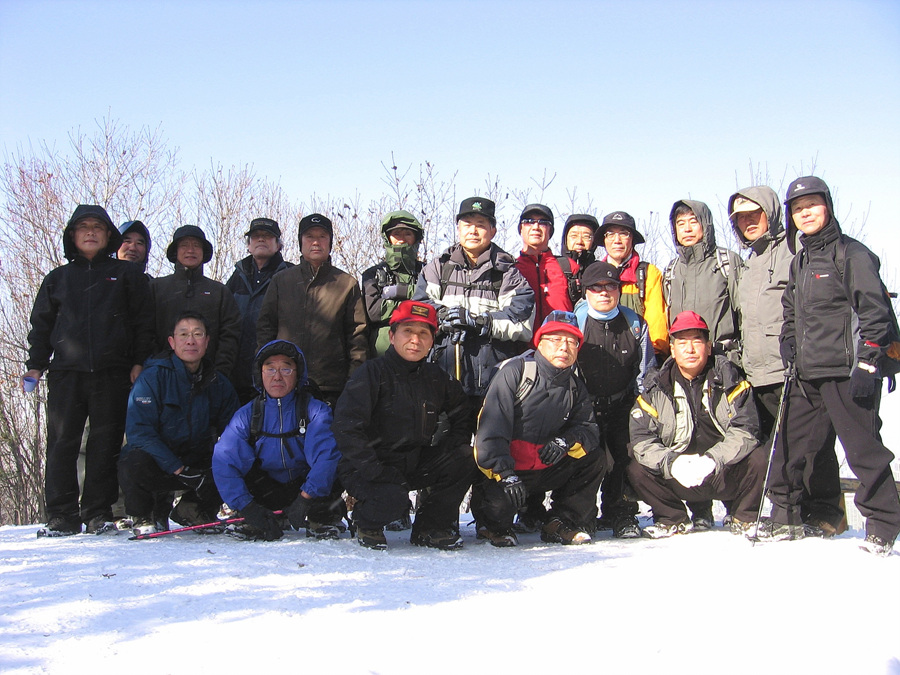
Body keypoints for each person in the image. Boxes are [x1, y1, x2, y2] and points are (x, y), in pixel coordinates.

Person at [758, 176, 900, 557]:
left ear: (828, 206)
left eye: (812, 206)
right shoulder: (801, 261)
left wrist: (868, 363)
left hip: (847, 372)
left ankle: (883, 526)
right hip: (806, 374)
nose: (805, 214)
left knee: (863, 450)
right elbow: (792, 311)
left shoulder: (852, 255)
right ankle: (785, 516)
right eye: (797, 209)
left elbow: (875, 312)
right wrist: (789, 343)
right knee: (789, 447)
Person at [25, 204, 154, 536]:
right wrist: (35, 366)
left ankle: (98, 512)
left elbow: (143, 323)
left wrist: (138, 362)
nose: (91, 233)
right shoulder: (57, 278)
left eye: (98, 227)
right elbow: (41, 326)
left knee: (105, 444)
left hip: (113, 372)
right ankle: (61, 515)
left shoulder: (127, 275)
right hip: (67, 373)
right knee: (62, 443)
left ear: (109, 235)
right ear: (72, 236)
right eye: (84, 227)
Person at [728, 185, 844, 535]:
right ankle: (788, 510)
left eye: (755, 214)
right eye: (741, 218)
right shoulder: (749, 263)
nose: (748, 222)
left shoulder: (794, 249)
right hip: (757, 371)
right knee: (777, 447)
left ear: (772, 214)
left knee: (811, 442)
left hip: (791, 367)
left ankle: (826, 511)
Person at [333, 301, 474, 550]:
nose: (415, 340)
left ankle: (429, 527)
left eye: (423, 333)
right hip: (367, 466)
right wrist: (375, 470)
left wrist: (453, 442)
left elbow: (462, 411)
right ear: (392, 336)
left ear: (432, 340)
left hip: (413, 462)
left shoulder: (436, 377)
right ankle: (367, 522)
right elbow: (347, 427)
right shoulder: (371, 373)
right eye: (407, 331)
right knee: (393, 500)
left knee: (464, 458)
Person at [471, 312, 605, 547]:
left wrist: (566, 441)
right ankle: (492, 527)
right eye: (556, 339)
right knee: (498, 510)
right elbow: (491, 430)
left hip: (546, 467)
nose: (564, 347)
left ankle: (561, 522)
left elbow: (588, 429)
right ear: (539, 343)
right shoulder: (516, 372)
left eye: (572, 342)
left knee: (594, 458)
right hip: (510, 471)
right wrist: (505, 473)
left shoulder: (574, 386)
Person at [627, 311, 765, 538]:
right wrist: (672, 463)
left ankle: (744, 516)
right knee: (636, 467)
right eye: (682, 343)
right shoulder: (655, 388)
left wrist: (713, 459)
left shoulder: (731, 380)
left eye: (696, 342)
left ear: (708, 347)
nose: (690, 349)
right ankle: (673, 518)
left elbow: (747, 430)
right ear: (673, 350)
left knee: (759, 457)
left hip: (722, 471)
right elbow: (642, 439)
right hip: (678, 475)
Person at [119, 311, 240, 536]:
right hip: (161, 461)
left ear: (207, 341)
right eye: (183, 334)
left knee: (236, 459)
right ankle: (144, 513)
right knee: (132, 460)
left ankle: (194, 508)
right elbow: (140, 432)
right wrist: (178, 468)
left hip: (197, 459)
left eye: (197, 334)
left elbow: (235, 431)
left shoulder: (218, 383)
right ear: (172, 342)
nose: (190, 341)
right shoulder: (152, 378)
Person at [413, 196, 534, 415]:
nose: (473, 231)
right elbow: (419, 308)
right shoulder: (438, 267)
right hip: (441, 379)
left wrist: (480, 322)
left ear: (493, 231)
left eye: (481, 224)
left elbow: (522, 323)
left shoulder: (507, 273)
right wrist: (443, 316)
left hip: (493, 384)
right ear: (458, 228)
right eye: (467, 224)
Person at [663, 199, 743, 528]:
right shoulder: (672, 269)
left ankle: (737, 506)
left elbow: (743, 310)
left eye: (693, 222)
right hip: (686, 361)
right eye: (680, 223)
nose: (687, 229)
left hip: (723, 358)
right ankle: (700, 509)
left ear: (705, 225)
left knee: (727, 430)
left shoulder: (726, 262)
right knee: (691, 432)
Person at [212, 340, 339, 541]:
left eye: (286, 369)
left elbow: (326, 457)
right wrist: (247, 507)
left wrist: (305, 498)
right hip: (265, 489)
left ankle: (322, 517)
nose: (277, 376)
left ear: (298, 374)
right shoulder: (247, 415)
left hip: (305, 488)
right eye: (270, 369)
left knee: (336, 467)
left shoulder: (315, 411)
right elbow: (224, 460)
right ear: (260, 374)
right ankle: (257, 519)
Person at [574, 262, 655, 538]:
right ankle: (581, 516)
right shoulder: (575, 322)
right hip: (585, 406)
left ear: (619, 290)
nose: (604, 292)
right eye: (596, 287)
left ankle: (621, 513)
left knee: (625, 457)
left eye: (610, 286)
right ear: (586, 291)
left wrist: (643, 409)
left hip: (623, 403)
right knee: (586, 459)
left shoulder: (635, 324)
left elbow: (646, 371)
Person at [256, 213, 368, 408]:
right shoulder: (281, 281)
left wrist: (353, 381)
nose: (316, 242)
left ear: (330, 242)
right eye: (309, 236)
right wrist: (265, 373)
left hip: (331, 387)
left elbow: (357, 336)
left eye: (322, 236)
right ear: (300, 242)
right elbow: (265, 328)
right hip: (285, 383)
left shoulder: (346, 284)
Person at [150, 225, 241, 379]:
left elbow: (230, 334)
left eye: (196, 246)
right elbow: (146, 331)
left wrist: (219, 372)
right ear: (175, 251)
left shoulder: (219, 291)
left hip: (209, 377)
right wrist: (157, 366)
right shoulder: (156, 288)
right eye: (184, 245)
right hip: (162, 375)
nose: (190, 250)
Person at [225, 218, 294, 404]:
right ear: (248, 245)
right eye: (256, 236)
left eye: (267, 236)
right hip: (236, 373)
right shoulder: (236, 278)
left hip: (275, 374)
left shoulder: (289, 276)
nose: (261, 239)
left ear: (278, 244)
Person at [598, 211, 669, 362]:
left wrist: (652, 359)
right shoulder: (594, 274)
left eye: (624, 234)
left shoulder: (648, 273)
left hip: (640, 358)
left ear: (632, 240)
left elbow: (656, 324)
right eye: (610, 234)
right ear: (604, 240)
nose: (617, 240)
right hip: (602, 357)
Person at [361, 210, 425, 356]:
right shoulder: (373, 274)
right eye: (396, 234)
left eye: (407, 234)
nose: (402, 240)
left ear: (416, 238)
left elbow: (434, 302)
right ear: (387, 238)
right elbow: (374, 311)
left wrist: (399, 292)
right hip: (382, 353)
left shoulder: (428, 271)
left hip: (421, 349)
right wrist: (416, 304)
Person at [514, 203, 574, 338]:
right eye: (529, 221)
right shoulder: (511, 269)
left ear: (550, 230)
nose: (536, 227)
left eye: (543, 222)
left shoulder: (568, 267)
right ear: (521, 229)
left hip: (561, 346)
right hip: (521, 347)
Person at [557, 214, 599, 305]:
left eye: (586, 237)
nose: (579, 241)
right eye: (574, 236)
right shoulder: (554, 267)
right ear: (565, 239)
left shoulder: (599, 271)